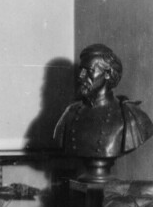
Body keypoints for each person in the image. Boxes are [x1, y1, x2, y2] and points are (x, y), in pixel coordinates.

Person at [53, 44, 153, 179]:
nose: (80, 76)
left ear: (107, 74)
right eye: (80, 70)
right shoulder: (70, 112)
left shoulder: (131, 116)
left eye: (88, 70)